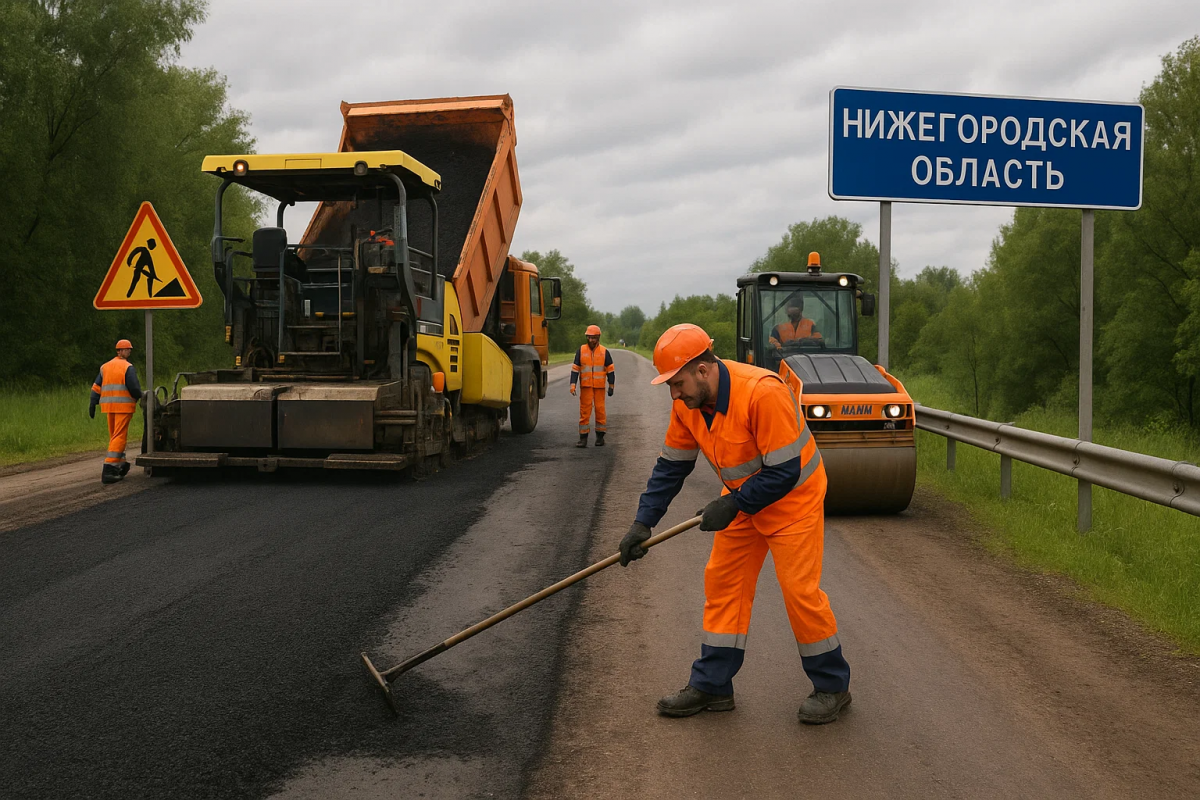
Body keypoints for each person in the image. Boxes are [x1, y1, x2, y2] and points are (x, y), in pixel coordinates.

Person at [618, 323, 851, 724]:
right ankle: (712, 686)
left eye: (678, 383)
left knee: (799, 593)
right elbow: (670, 468)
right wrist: (643, 523)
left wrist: (732, 506)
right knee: (723, 584)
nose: (674, 394)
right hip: (743, 501)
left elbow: (784, 472)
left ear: (704, 369)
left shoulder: (762, 392)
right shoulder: (687, 406)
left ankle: (832, 686)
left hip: (793, 500)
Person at [89, 339, 143, 484]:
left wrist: (93, 402)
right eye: (127, 349)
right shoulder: (127, 367)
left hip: (109, 407)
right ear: (120, 351)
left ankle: (120, 464)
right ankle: (109, 469)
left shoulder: (105, 367)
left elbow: (96, 386)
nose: (129, 351)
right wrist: (141, 397)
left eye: (130, 349)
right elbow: (134, 387)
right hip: (123, 407)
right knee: (119, 436)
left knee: (114, 436)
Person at [570, 324, 615, 447]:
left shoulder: (604, 352)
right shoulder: (581, 351)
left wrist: (611, 386)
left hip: (599, 388)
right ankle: (583, 439)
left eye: (594, 338)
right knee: (584, 412)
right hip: (586, 388)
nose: (591, 340)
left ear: (598, 338)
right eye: (589, 337)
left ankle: (600, 438)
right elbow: (575, 369)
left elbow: (610, 370)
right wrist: (572, 384)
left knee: (600, 411)